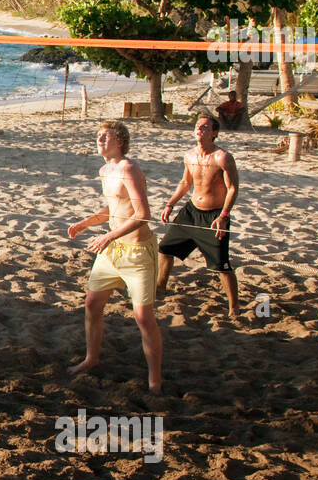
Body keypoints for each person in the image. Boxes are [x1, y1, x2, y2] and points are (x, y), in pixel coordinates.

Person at [67, 121, 163, 394]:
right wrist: (85, 224)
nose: (99, 140)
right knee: (92, 304)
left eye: (104, 136)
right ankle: (91, 359)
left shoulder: (129, 169)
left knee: (143, 316)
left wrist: (107, 236)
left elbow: (142, 214)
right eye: (97, 136)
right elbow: (114, 208)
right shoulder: (105, 170)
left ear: (120, 140)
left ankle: (155, 380)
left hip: (137, 251)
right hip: (112, 251)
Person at [157, 112, 241, 317]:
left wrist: (224, 215)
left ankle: (234, 307)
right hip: (191, 211)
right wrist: (170, 204)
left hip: (214, 216)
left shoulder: (223, 157)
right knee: (165, 249)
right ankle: (160, 289)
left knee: (221, 265)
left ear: (214, 132)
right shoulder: (189, 155)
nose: (199, 129)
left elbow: (233, 188)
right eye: (197, 125)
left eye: (205, 127)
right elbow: (186, 183)